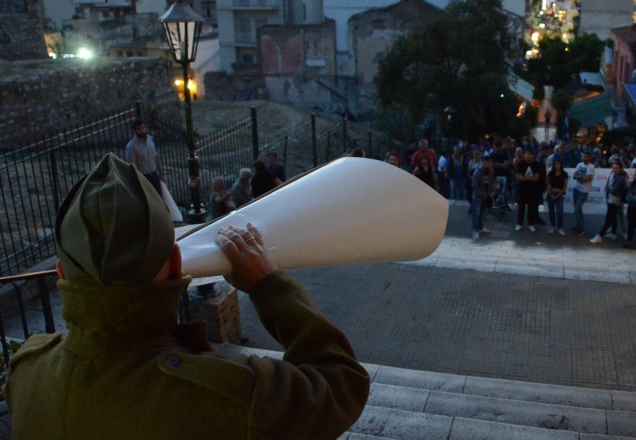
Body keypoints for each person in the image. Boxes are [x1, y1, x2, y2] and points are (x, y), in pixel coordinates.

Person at [4, 154, 370, 438]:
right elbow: (343, 383)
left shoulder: (25, 370)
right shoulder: (232, 394)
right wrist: (267, 284)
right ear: (178, 263)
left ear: (61, 273)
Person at [124, 118, 164, 196]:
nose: (142, 130)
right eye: (139, 129)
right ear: (135, 131)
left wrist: (161, 173)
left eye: (143, 128)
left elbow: (155, 156)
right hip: (144, 177)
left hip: (154, 174)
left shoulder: (150, 140)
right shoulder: (132, 147)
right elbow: (132, 166)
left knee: (159, 198)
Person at [591, 161, 627, 244]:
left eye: (616, 168)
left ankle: (600, 235)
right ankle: (613, 233)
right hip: (610, 199)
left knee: (609, 218)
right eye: (613, 168)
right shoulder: (612, 175)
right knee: (613, 217)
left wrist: (609, 189)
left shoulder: (621, 179)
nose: (615, 170)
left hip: (616, 200)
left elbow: (614, 190)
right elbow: (608, 186)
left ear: (620, 169)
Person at [514, 148, 544, 232]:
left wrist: (525, 178)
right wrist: (530, 178)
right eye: (526, 154)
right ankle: (519, 224)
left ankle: (531, 224)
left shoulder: (537, 165)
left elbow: (536, 178)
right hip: (522, 189)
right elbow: (519, 177)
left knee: (532, 208)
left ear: (533, 156)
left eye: (530, 154)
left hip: (533, 190)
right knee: (521, 208)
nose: (528, 156)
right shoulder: (520, 164)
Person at [570, 150, 595, 235]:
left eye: (586, 156)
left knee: (578, 208)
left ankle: (581, 228)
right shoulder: (579, 164)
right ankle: (578, 225)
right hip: (576, 188)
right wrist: (582, 177)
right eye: (583, 156)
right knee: (576, 209)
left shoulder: (591, 167)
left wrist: (579, 177)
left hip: (584, 191)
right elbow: (574, 176)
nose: (584, 158)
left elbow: (587, 179)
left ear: (589, 157)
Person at [471, 155, 496, 239]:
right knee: (476, 214)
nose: (486, 164)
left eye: (488, 163)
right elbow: (474, 186)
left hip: (486, 195)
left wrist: (490, 193)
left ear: (490, 163)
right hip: (478, 197)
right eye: (485, 162)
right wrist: (482, 195)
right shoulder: (477, 172)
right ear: (482, 162)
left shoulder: (491, 171)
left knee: (482, 213)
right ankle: (475, 230)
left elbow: (492, 182)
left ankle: (481, 228)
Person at [545, 158, 568, 235]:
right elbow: (548, 185)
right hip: (550, 194)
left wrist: (558, 195)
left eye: (558, 164)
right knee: (551, 212)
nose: (557, 166)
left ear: (561, 165)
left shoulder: (564, 174)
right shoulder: (550, 173)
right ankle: (552, 226)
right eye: (555, 164)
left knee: (560, 213)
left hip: (559, 195)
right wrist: (550, 194)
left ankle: (560, 228)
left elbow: (564, 187)